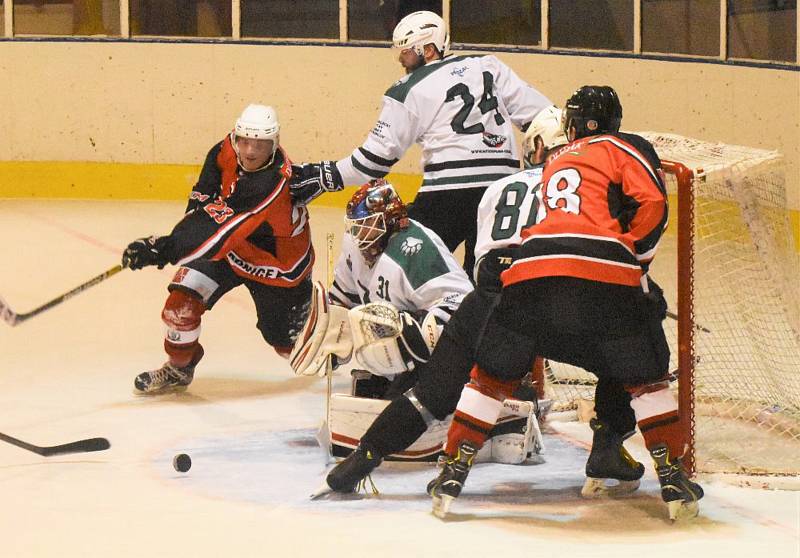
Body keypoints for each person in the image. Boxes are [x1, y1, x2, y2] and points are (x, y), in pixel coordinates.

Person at [314, 106, 644, 498]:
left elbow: (483, 265)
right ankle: (605, 448)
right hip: (562, 303)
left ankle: (362, 465)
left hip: (497, 303)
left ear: (534, 147)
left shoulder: (497, 189)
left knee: (432, 394)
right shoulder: (589, 191)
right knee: (627, 353)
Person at [427, 86, 704, 521]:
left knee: (490, 378)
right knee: (647, 376)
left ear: (570, 127)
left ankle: (452, 470)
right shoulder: (626, 146)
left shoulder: (556, 159)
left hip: (529, 270)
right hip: (603, 274)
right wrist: (633, 257)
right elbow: (651, 202)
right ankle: (670, 474)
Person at [122, 103, 342, 395]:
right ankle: (178, 369)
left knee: (292, 348)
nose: (250, 151)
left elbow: (218, 228)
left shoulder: (272, 181)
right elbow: (202, 203)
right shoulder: (223, 151)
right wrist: (171, 244)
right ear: (236, 137)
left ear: (274, 145)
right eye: (245, 141)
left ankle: (358, 354)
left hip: (278, 268)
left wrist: (162, 249)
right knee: (179, 307)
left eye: (260, 145)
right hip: (231, 250)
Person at [325, 10, 552, 276]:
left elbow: (374, 160)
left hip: (447, 194)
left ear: (430, 49)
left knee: (400, 264)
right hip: (502, 189)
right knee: (486, 277)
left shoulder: (408, 88)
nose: (401, 59)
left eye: (407, 51)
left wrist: (325, 175)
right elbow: (543, 117)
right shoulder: (489, 65)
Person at [290, 179, 474, 397]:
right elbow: (343, 299)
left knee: (395, 328)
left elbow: (463, 307)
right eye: (356, 226)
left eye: (368, 226)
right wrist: (333, 334)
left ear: (391, 221)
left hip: (439, 364)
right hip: (392, 366)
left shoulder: (415, 250)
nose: (360, 235)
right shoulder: (355, 243)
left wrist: (416, 335)